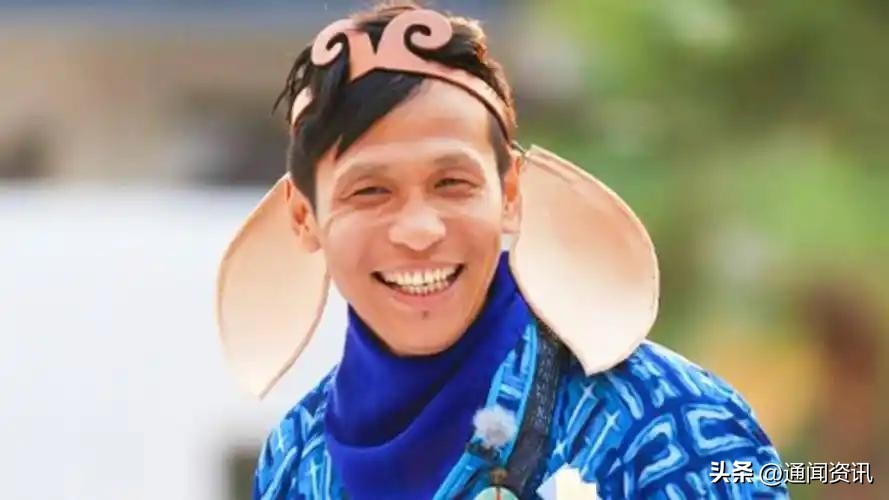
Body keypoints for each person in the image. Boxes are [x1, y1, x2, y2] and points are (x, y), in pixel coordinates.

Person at [216, 3, 786, 498]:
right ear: (304, 216)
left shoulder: (668, 421)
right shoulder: (293, 458)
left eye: (451, 183)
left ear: (510, 193)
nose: (419, 230)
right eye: (370, 192)